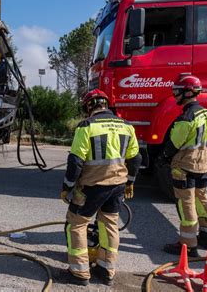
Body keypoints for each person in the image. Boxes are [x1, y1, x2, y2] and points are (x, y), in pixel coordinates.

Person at [60, 89, 142, 286]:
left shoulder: (87, 126)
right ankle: (106, 270)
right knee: (109, 224)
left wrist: (67, 187)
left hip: (92, 186)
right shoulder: (126, 126)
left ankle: (79, 273)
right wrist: (130, 181)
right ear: (106, 104)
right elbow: (136, 158)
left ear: (89, 106)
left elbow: (76, 161)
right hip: (117, 186)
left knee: (76, 224)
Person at [162, 75, 207, 257]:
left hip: (185, 166)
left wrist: (164, 157)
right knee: (202, 199)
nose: (175, 95)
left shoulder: (186, 117)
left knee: (187, 204)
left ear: (188, 92)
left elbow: (174, 144)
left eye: (177, 92)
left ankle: (188, 244)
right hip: (204, 165)